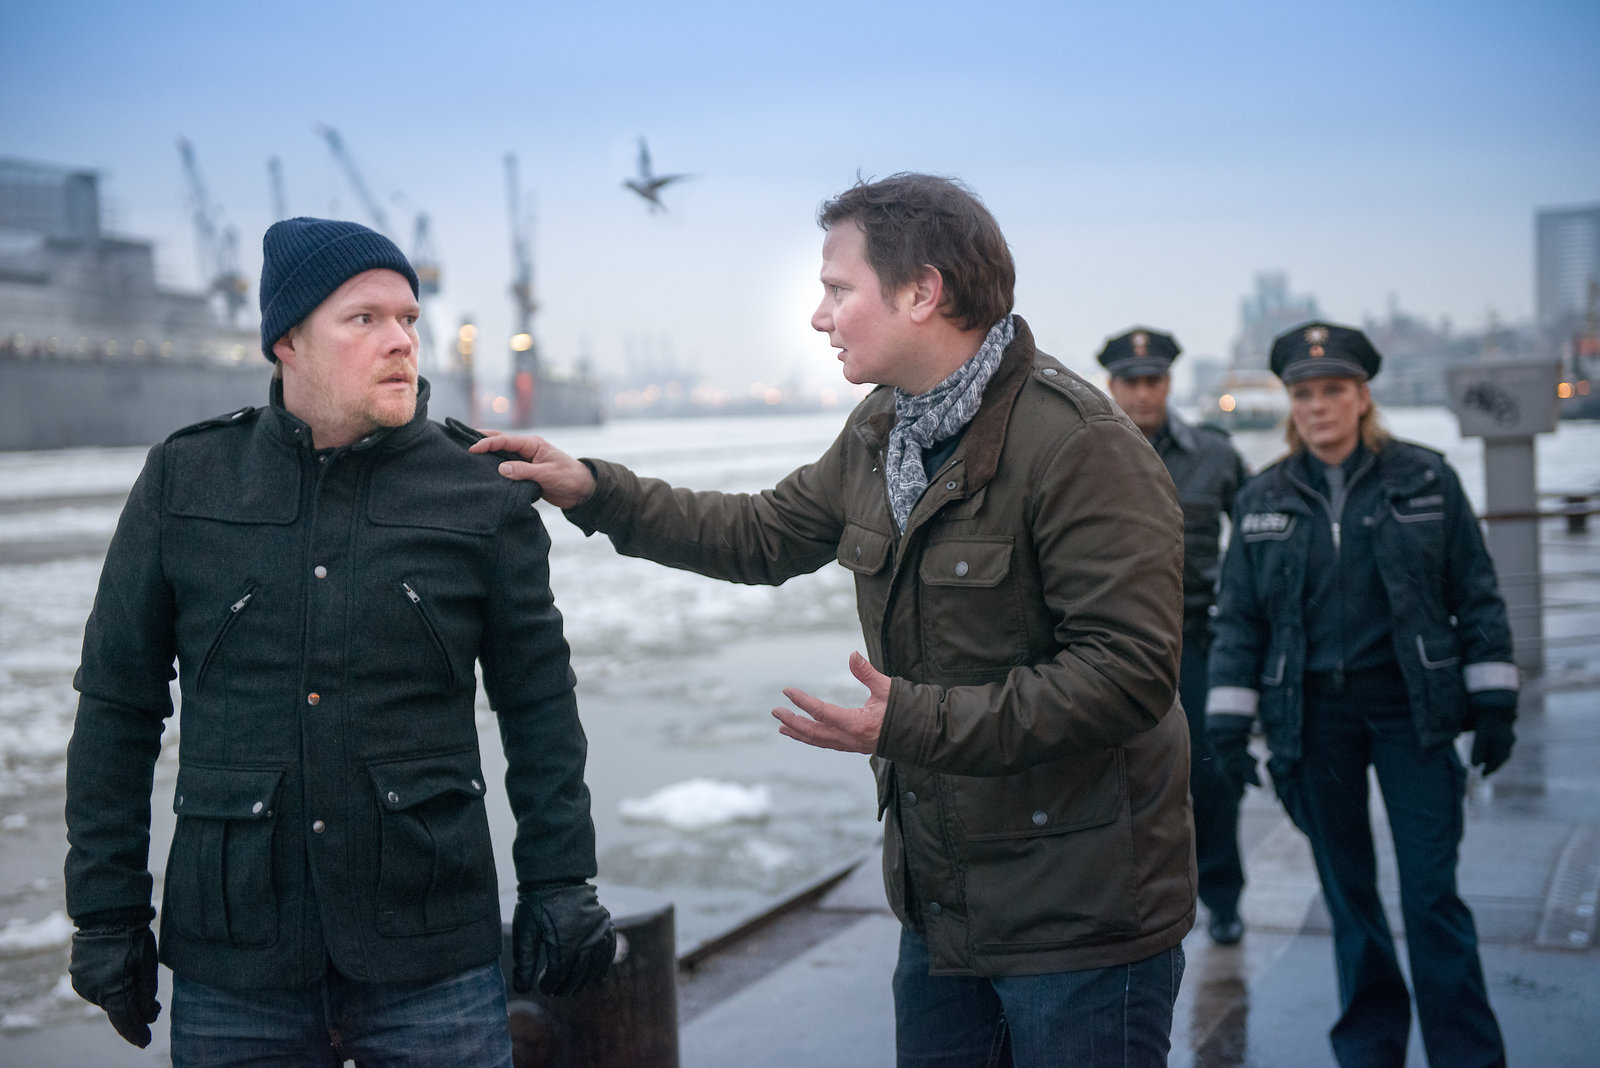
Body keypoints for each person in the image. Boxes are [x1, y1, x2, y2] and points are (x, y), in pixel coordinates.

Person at [473, 173, 1195, 1066]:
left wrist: (910, 723)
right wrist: (595, 489)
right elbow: (761, 534)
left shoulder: (1079, 444)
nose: (820, 317)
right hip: (942, 909)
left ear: (922, 291)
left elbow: (1128, 676)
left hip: (1080, 918)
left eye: (837, 289)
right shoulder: (882, 430)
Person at [64, 218, 614, 1066]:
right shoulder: (186, 480)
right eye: (365, 319)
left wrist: (560, 880)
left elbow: (538, 705)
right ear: (287, 340)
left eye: (408, 319)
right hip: (236, 953)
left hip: (431, 948)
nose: (401, 341)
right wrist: (106, 914)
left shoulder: (480, 491)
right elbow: (117, 707)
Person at [1206, 322, 1516, 1068]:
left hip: (1413, 712)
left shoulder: (1427, 480)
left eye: (1334, 390)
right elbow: (1239, 620)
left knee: (1432, 894)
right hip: (1314, 721)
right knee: (1350, 898)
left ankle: (1467, 1056)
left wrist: (1494, 699)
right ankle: (1370, 1050)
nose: (1319, 406)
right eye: (1305, 394)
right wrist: (1227, 723)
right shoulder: (1263, 497)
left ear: (1363, 395)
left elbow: (1475, 593)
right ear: (1291, 403)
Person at [1100, 327, 1251, 946]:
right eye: (1130, 381)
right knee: (1114, 776)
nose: (1143, 392)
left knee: (1211, 774)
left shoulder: (1215, 454)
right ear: (1111, 385)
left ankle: (1222, 896)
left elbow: (1257, 542)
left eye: (1153, 380)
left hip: (1197, 637)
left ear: (1168, 382)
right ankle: (1127, 902)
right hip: (1109, 642)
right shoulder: (1086, 453)